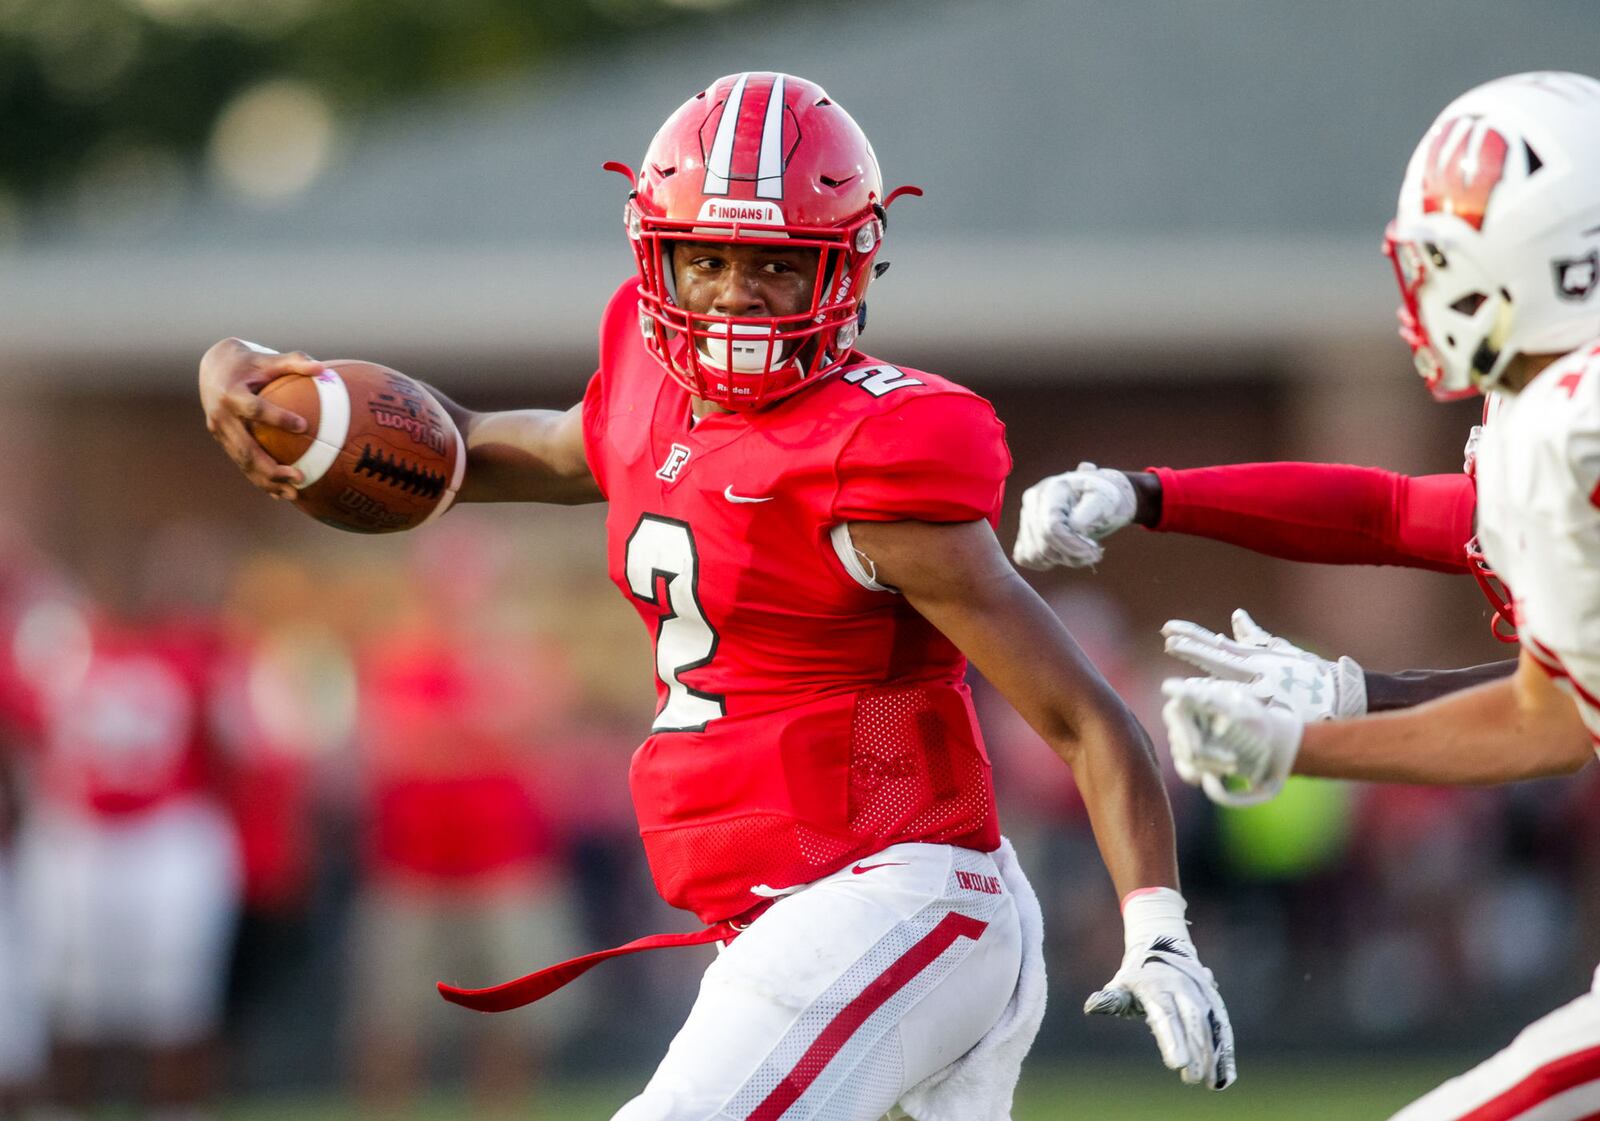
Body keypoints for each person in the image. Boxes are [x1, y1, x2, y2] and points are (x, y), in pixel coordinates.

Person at [199, 71, 1234, 1120]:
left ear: (847, 264)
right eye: (708, 258)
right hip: (806, 914)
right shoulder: (648, 393)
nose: (736, 292)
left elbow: (1080, 713)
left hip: (903, 896)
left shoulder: (870, 456)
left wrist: (1155, 919)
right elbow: (471, 445)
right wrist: (258, 381)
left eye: (777, 265)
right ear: (659, 255)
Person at [1162, 71, 1600, 1119]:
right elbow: (1403, 516)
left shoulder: (1558, 428)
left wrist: (1297, 742)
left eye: (1448, 261)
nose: (1429, 288)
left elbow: (1545, 719)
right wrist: (1153, 498)